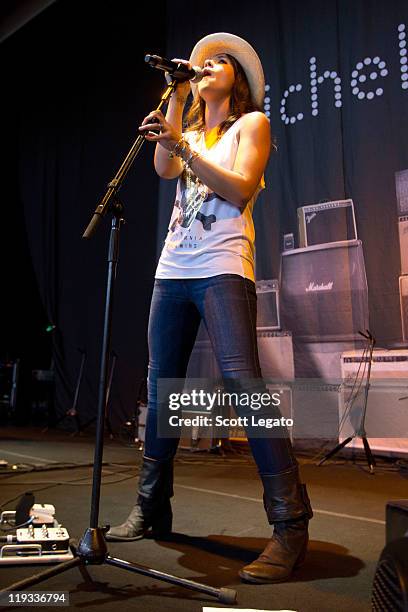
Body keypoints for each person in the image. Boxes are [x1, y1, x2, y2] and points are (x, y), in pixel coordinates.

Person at [106, 32, 313, 584]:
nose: (207, 66)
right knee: (161, 385)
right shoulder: (191, 130)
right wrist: (175, 100)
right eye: (201, 64)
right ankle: (152, 507)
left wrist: (184, 147)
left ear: (238, 79)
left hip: (222, 264)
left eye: (218, 62)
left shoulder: (253, 125)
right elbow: (163, 171)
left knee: (244, 384)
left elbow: (239, 190)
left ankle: (291, 524)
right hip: (174, 266)